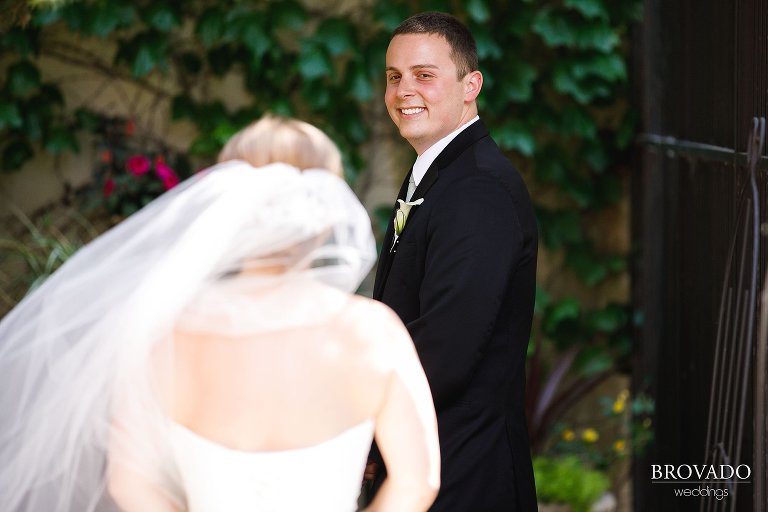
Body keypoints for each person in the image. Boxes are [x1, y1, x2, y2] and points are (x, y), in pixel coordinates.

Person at [0, 116, 440, 512]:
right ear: (327, 211)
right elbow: (417, 482)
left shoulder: (166, 336)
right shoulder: (372, 331)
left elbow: (130, 483)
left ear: (225, 205)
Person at [367, 12, 538, 511]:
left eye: (424, 75)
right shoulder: (441, 174)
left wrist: (361, 427)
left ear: (471, 86)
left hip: (464, 474)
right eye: (394, 76)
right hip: (429, 459)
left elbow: (445, 347)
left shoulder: (478, 189)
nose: (404, 91)